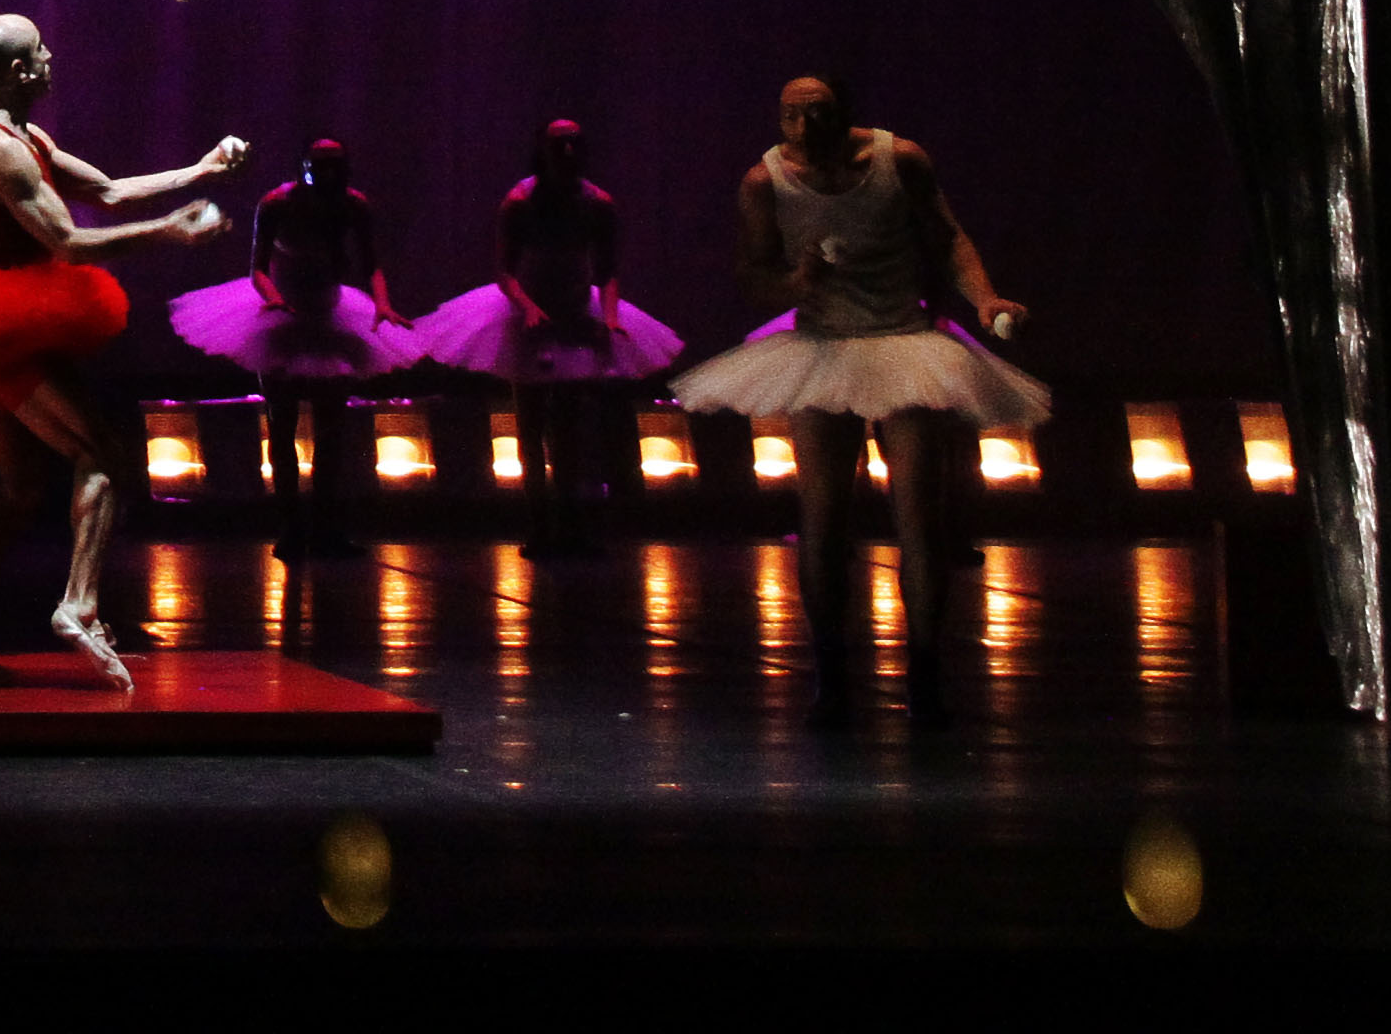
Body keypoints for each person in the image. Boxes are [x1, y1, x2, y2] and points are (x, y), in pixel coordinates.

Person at [0, 13, 242, 687]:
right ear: (19, 71)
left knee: (21, 489)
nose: (51, 57)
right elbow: (69, 243)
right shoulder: (0, 151)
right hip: (3, 331)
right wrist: (167, 232)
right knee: (102, 454)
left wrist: (199, 170)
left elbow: (106, 190)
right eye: (40, 51)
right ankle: (78, 605)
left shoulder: (28, 135)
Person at [668, 75, 1043, 726]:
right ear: (779, 120)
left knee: (917, 513)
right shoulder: (765, 182)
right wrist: (796, 281)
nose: (805, 126)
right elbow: (753, 274)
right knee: (822, 515)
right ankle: (830, 670)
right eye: (792, 115)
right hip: (824, 346)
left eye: (817, 112)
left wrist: (984, 299)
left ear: (842, 114)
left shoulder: (898, 160)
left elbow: (948, 237)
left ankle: (924, 667)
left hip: (903, 340)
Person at [416, 118, 683, 550]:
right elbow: (505, 271)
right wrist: (527, 307)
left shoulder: (598, 203)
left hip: (577, 307)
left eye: (575, 143)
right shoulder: (520, 202)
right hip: (528, 309)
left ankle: (573, 522)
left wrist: (610, 315)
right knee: (531, 421)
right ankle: (539, 523)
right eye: (559, 144)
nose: (568, 152)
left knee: (572, 424)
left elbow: (607, 270)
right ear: (542, 149)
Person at [164, 138, 418, 559]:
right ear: (304, 166)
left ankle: (327, 529)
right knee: (281, 425)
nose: (327, 172)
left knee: (331, 430)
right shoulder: (277, 203)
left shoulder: (353, 205)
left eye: (334, 164)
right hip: (282, 315)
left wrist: (383, 302)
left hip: (330, 311)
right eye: (319, 164)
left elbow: (371, 263)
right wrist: (274, 300)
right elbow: (258, 269)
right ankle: (290, 529)